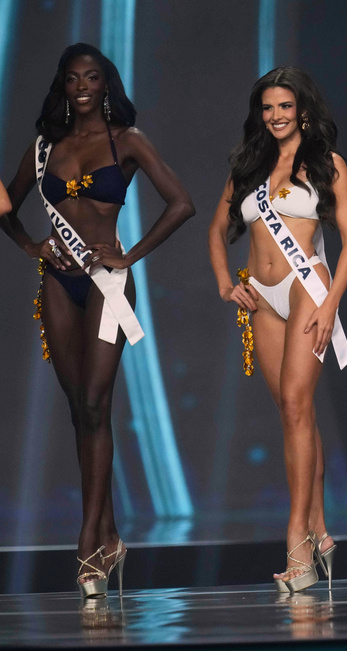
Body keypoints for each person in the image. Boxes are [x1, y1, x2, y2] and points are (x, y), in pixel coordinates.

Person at [0, 43, 194, 597]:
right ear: (61, 86)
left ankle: (89, 539)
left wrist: (129, 257)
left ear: (106, 83)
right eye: (71, 78)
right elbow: (5, 206)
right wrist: (33, 245)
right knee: (80, 410)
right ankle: (108, 533)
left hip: (108, 283)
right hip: (58, 285)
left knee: (94, 403)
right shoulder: (44, 149)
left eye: (91, 76)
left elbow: (181, 203)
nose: (82, 85)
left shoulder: (126, 141)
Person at [207, 67, 347, 591]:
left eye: (284, 107)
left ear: (303, 112)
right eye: (267, 108)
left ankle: (297, 535)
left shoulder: (326, 164)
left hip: (307, 289)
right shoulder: (249, 166)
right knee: (294, 412)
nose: (275, 116)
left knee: (297, 405)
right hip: (261, 299)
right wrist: (229, 284)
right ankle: (320, 529)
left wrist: (331, 302)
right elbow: (216, 231)